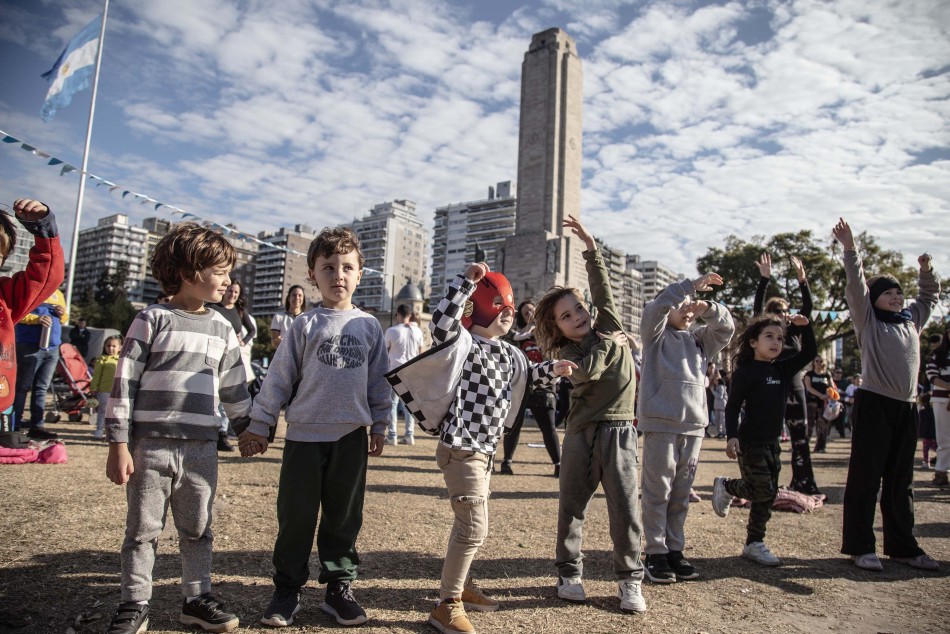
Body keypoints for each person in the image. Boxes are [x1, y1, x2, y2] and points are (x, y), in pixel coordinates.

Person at [388, 261, 574, 634]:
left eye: (511, 306)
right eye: (500, 305)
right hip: (461, 447)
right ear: (479, 308)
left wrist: (553, 369)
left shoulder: (509, 353)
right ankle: (447, 604)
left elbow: (527, 377)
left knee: (474, 526)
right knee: (473, 527)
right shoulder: (464, 343)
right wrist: (465, 283)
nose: (509, 311)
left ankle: (462, 585)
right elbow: (441, 324)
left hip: (485, 451)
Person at [238, 227, 390, 628]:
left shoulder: (370, 326)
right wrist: (260, 423)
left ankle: (339, 588)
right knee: (296, 517)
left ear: (360, 274)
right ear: (312, 275)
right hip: (304, 436)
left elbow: (379, 381)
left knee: (344, 517)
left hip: (351, 437)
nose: (338, 275)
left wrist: (380, 423)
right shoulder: (303, 325)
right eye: (328, 267)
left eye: (347, 267)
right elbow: (279, 378)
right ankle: (287, 590)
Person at [104, 222, 251, 634]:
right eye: (220, 272)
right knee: (142, 529)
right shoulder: (151, 319)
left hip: (201, 447)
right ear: (189, 273)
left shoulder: (223, 327)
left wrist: (248, 429)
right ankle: (135, 603)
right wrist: (118, 443)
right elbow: (124, 383)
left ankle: (196, 598)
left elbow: (234, 387)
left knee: (198, 527)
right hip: (149, 446)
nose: (228, 281)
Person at [533, 215, 646, 615]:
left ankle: (630, 580)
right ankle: (569, 575)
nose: (577, 316)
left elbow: (603, 286)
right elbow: (588, 372)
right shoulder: (570, 352)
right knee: (572, 508)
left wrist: (591, 248)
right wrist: (614, 344)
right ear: (558, 329)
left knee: (626, 511)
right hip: (582, 434)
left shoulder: (608, 322)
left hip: (621, 432)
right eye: (566, 316)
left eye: (578, 308)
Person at [833, 218, 940, 572]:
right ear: (875, 299)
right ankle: (861, 546)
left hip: (906, 408)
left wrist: (925, 271)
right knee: (866, 478)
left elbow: (929, 297)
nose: (895, 297)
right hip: (874, 403)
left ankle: (903, 546)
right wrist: (850, 248)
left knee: (900, 480)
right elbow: (856, 286)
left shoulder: (911, 320)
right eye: (888, 293)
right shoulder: (868, 321)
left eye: (898, 293)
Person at [637, 272, 735, 583]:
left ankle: (674, 549)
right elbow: (654, 310)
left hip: (693, 426)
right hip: (660, 424)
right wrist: (687, 288)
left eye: (691, 305)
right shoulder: (655, 335)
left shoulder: (699, 340)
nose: (687, 309)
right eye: (681, 304)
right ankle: (655, 551)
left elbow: (727, 329)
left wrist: (708, 307)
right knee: (657, 490)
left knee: (681, 493)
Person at [711, 312, 817, 566]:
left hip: (773, 443)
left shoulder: (781, 369)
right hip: (750, 442)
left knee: (768, 496)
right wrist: (732, 436)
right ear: (753, 342)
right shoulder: (745, 373)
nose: (775, 342)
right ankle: (727, 486)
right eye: (769, 336)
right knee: (762, 490)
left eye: (780, 338)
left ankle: (754, 543)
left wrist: (806, 327)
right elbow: (732, 407)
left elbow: (809, 353)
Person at [753, 252, 822, 495]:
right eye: (776, 310)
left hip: (794, 387)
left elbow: (808, 308)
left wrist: (802, 279)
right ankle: (765, 483)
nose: (781, 314)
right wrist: (764, 279)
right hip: (770, 388)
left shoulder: (793, 331)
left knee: (800, 439)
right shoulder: (765, 332)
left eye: (784, 310)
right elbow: (757, 309)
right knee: (768, 439)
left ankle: (803, 482)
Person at [0, 198, 64, 440]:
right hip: (29, 346)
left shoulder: (5, 297)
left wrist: (44, 231)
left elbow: (45, 277)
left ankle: (32, 423)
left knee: (39, 387)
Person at [500, 300, 563, 477]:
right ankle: (507, 462)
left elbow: (554, 352)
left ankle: (558, 465)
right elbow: (507, 343)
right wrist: (524, 332)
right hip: (520, 384)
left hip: (544, 385)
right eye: (525, 312)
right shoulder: (515, 334)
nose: (529, 314)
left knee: (548, 426)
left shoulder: (547, 332)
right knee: (513, 424)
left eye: (532, 311)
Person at [14, 286, 68, 440]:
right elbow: (17, 314)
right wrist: (36, 319)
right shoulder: (29, 289)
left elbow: (64, 319)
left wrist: (62, 314)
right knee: (22, 387)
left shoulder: (58, 293)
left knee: (41, 388)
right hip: (29, 346)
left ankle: (37, 426)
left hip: (53, 348)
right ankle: (14, 426)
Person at [209, 280, 258, 452]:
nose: (233, 294)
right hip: (213, 355)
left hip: (231, 358)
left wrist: (243, 341)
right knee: (213, 395)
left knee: (227, 396)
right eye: (230, 291)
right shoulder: (213, 308)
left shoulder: (240, 311)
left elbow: (252, 330)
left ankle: (222, 434)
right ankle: (212, 430)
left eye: (236, 292)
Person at [384, 304, 423, 445]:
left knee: (393, 404)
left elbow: (385, 352)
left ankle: (392, 435)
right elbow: (421, 353)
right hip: (411, 372)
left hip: (395, 370)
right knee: (409, 405)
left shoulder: (391, 331)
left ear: (399, 314)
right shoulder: (418, 331)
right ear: (410, 315)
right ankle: (409, 435)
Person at [925, 326, 950, 485]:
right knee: (944, 437)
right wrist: (948, 387)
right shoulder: (938, 354)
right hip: (942, 399)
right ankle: (941, 471)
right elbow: (932, 376)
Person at [89, 334, 122, 440]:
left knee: (116, 413)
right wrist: (94, 388)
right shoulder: (101, 359)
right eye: (108, 346)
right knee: (102, 411)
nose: (111, 348)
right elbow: (96, 376)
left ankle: (112, 432)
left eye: (114, 346)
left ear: (120, 347)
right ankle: (99, 430)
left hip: (118, 391)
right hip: (104, 390)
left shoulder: (122, 360)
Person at [805, 356, 836, 453]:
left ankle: (820, 447)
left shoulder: (827, 375)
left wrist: (828, 394)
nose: (819, 363)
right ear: (813, 363)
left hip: (824, 403)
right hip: (811, 402)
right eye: (817, 361)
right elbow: (808, 387)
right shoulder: (809, 374)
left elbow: (832, 387)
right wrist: (819, 395)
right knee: (809, 425)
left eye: (821, 361)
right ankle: (804, 446)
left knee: (823, 425)